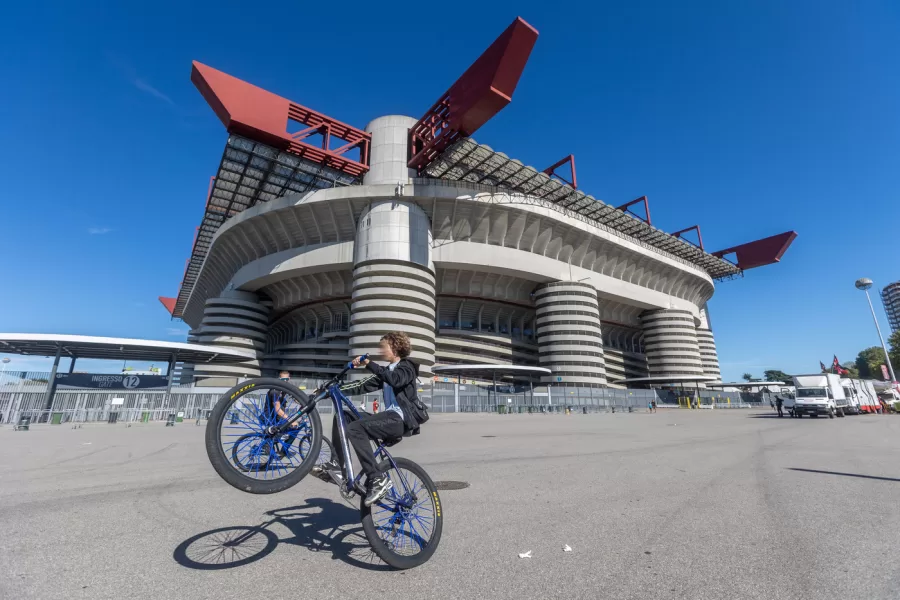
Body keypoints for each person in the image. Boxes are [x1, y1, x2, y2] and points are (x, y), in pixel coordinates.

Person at [312, 332, 422, 507]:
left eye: (383, 346)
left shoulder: (407, 367)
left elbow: (395, 380)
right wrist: (333, 389)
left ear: (394, 347)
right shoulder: (386, 371)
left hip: (401, 420)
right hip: (389, 417)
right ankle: (337, 465)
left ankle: (377, 478)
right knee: (344, 416)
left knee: (355, 428)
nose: (380, 350)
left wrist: (369, 364)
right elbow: (361, 386)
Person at [265, 370, 303, 458]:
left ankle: (282, 449)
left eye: (287, 379)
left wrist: (304, 404)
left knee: (295, 428)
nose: (285, 381)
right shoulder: (275, 390)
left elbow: (295, 398)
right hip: (270, 417)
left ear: (289, 379)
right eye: (283, 379)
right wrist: (290, 420)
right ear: (279, 379)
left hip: (278, 416)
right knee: (293, 426)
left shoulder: (285, 389)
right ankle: (270, 442)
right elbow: (277, 410)